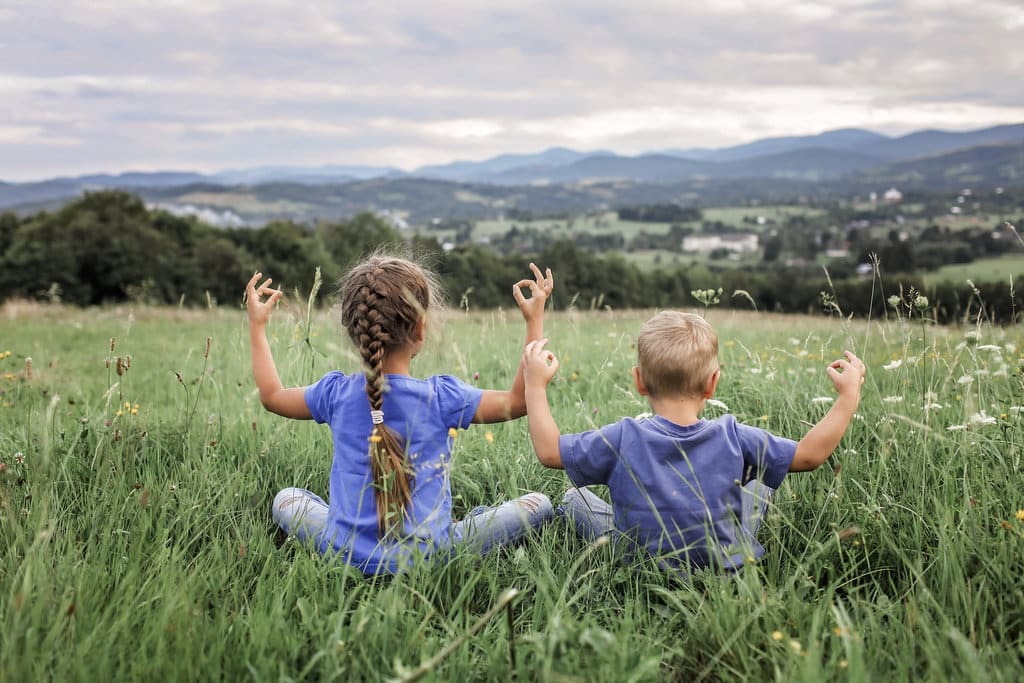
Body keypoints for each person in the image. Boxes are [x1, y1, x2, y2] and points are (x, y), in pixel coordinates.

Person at [245, 254, 555, 575]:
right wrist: (534, 320)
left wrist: (257, 327)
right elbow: (519, 401)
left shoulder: (334, 394)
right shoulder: (441, 398)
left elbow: (272, 396)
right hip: (431, 558)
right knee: (538, 504)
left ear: (353, 330)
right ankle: (456, 523)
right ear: (420, 328)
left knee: (287, 499)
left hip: (344, 554)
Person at [521, 310, 865, 573]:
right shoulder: (734, 436)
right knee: (760, 485)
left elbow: (549, 451)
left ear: (639, 382)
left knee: (572, 498)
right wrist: (848, 396)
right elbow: (809, 456)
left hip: (638, 565)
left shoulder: (623, 437)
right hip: (726, 567)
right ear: (712, 384)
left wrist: (534, 385)